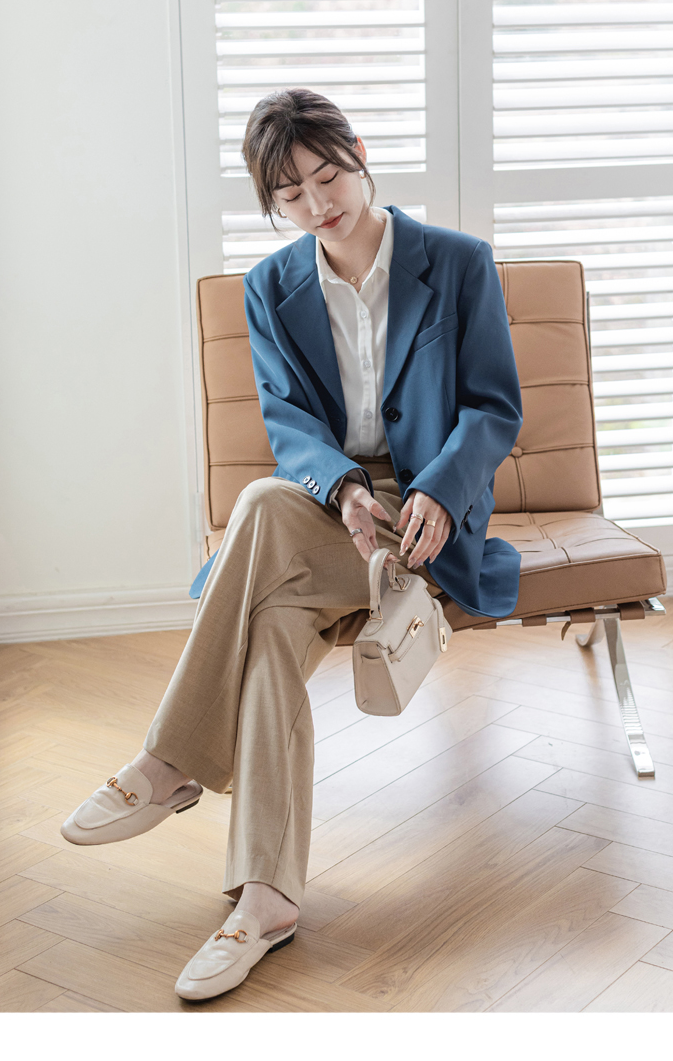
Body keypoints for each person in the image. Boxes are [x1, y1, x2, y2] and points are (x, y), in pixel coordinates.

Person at [61, 88, 523, 1002]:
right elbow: (289, 422)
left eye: (327, 175)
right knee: (270, 620)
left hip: (425, 517)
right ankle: (265, 900)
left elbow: (492, 408)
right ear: (272, 202)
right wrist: (343, 489)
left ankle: (169, 760)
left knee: (260, 508)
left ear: (359, 154)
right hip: (328, 513)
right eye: (291, 192)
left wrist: (436, 488)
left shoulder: (457, 262)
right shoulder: (271, 287)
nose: (318, 203)